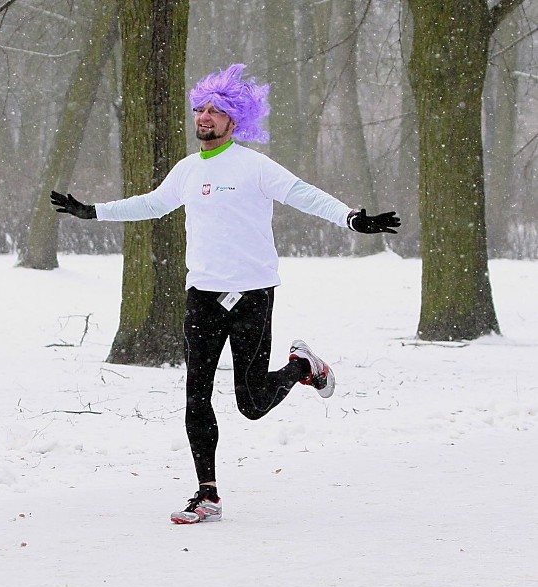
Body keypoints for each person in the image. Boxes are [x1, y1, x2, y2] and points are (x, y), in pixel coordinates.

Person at [51, 63, 400, 525]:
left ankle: (302, 367)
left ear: (236, 120)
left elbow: (304, 194)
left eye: (217, 111)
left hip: (253, 294)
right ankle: (207, 494)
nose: (206, 117)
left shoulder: (254, 166)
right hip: (203, 296)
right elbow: (153, 203)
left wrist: (353, 219)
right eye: (201, 109)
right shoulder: (188, 170)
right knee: (196, 396)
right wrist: (92, 211)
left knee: (251, 404)